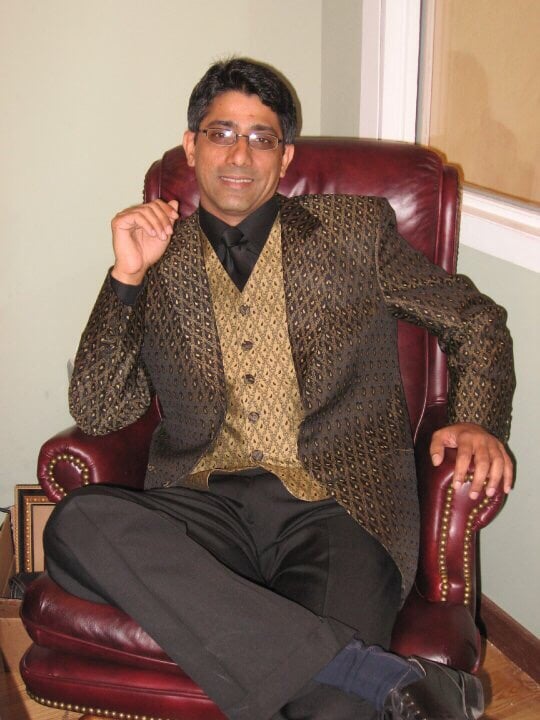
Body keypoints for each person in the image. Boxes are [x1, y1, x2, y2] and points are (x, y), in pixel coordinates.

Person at [44, 58, 515, 720]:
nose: (239, 155)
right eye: (221, 133)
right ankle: (377, 673)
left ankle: (342, 674)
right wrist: (125, 278)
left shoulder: (354, 233)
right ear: (191, 146)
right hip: (204, 505)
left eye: (260, 138)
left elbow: (475, 322)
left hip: (338, 508)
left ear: (285, 156)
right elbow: (99, 409)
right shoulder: (157, 254)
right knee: (77, 524)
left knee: (330, 706)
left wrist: (477, 419)